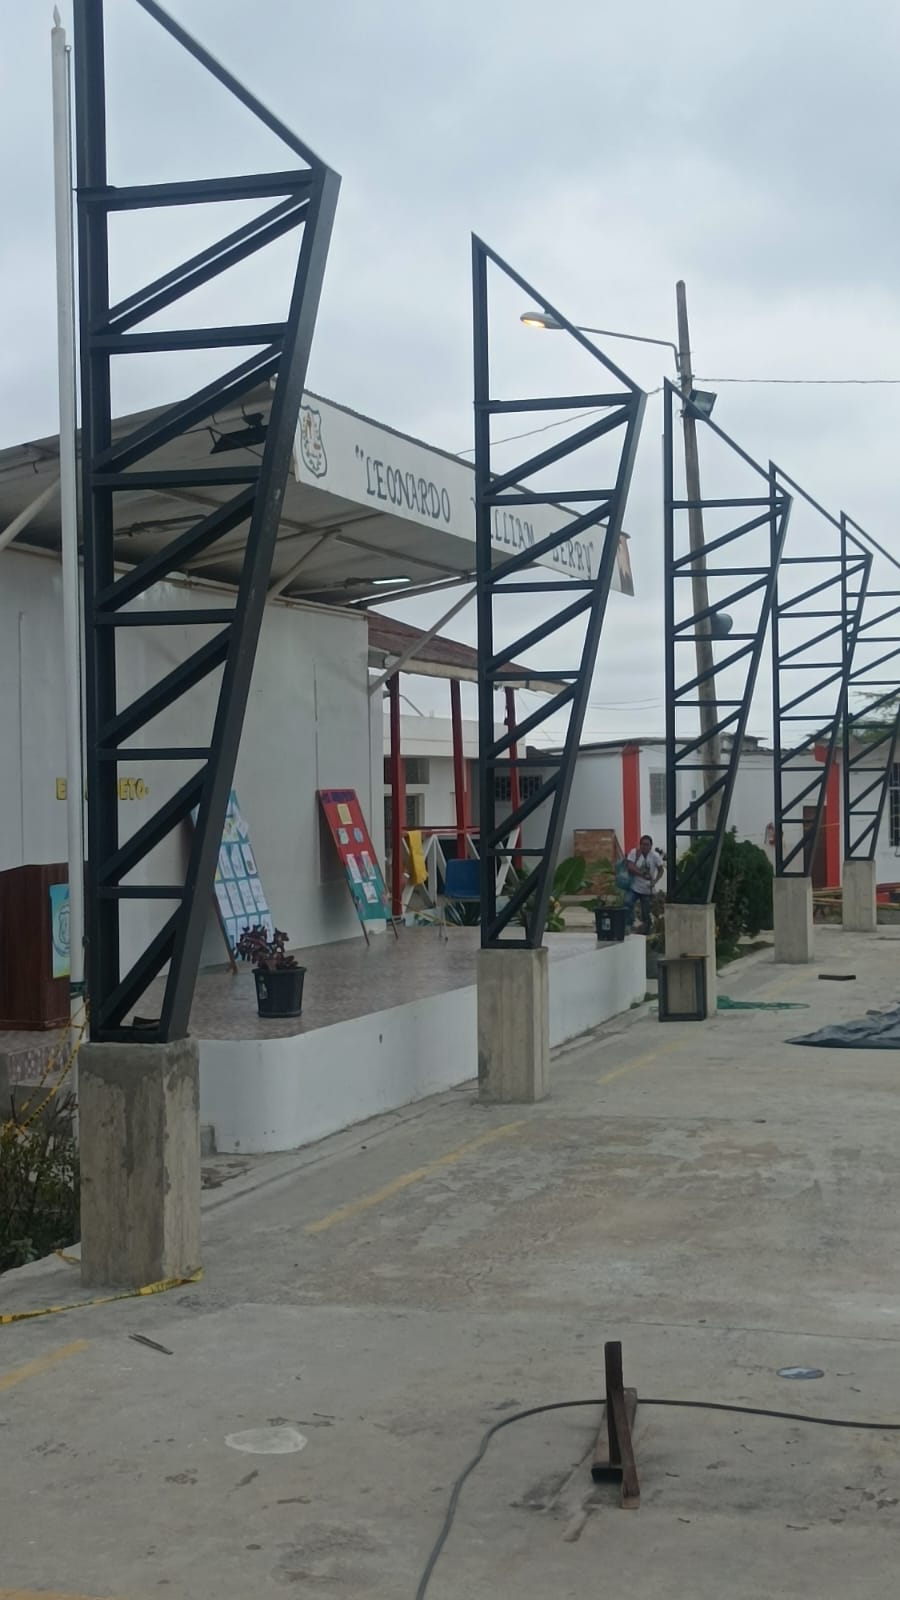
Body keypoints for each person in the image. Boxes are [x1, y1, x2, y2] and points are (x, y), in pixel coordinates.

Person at [624, 834, 663, 934]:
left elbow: (661, 870)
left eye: (647, 844)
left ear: (651, 846)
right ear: (640, 845)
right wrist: (642, 874)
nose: (645, 846)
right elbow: (630, 866)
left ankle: (646, 932)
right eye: (643, 844)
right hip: (634, 887)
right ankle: (628, 925)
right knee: (627, 903)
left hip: (647, 889)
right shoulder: (634, 853)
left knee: (646, 912)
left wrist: (655, 881)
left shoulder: (655, 856)